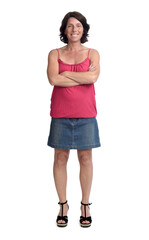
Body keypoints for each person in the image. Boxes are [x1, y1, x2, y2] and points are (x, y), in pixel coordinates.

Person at [47, 11, 101, 228]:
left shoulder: (93, 53)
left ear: (84, 29)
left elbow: (93, 77)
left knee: (85, 159)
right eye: (70, 26)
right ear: (64, 30)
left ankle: (85, 205)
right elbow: (53, 79)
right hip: (60, 113)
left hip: (86, 114)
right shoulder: (54, 53)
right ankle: (63, 204)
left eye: (78, 26)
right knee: (60, 158)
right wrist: (79, 76)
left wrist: (66, 74)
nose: (74, 30)